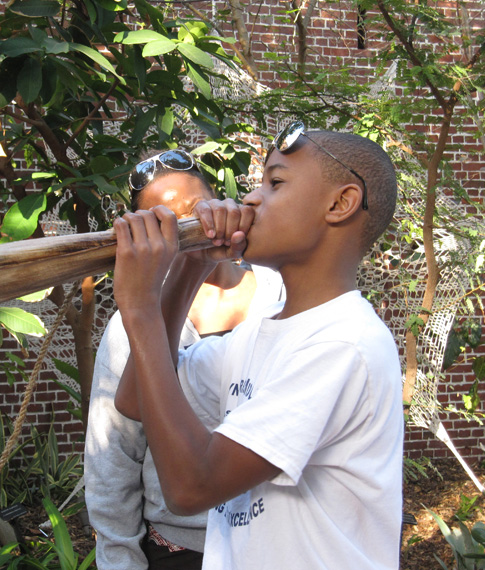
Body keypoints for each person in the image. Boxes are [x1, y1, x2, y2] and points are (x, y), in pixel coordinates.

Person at [111, 125, 403, 569]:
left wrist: (141, 307)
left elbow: (191, 488)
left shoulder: (344, 344)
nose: (250, 199)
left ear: (340, 204)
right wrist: (191, 266)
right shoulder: (258, 333)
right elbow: (135, 399)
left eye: (275, 182)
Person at [84, 149, 284, 570]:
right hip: (179, 550)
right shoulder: (131, 324)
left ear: (221, 205)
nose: (185, 230)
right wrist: (120, 559)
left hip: (275, 542)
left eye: (196, 211)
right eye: (162, 223)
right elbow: (113, 453)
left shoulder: (282, 301)